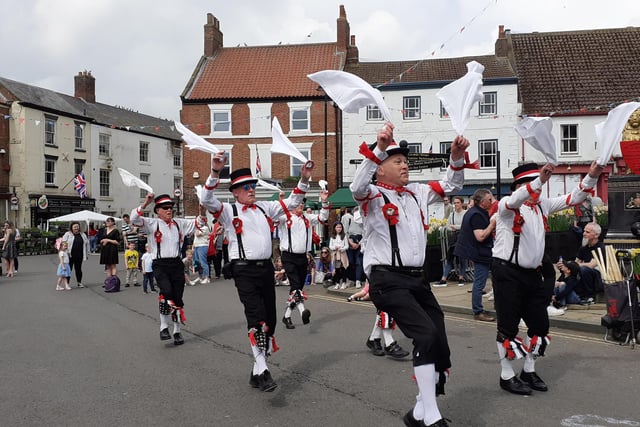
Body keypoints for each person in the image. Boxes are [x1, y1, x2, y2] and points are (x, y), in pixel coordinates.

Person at [350, 122, 470, 427]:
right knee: (425, 335)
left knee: (439, 341)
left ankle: (418, 411)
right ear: (381, 169)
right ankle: (430, 416)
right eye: (397, 161)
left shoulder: (417, 192)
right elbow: (356, 187)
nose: (405, 165)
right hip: (387, 280)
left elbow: (452, 186)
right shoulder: (373, 195)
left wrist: (456, 157)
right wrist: (377, 149)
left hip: (418, 279)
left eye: (405, 161)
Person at [200, 155, 314, 393]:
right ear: (235, 192)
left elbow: (293, 202)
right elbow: (206, 198)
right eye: (246, 187)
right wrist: (214, 172)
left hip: (265, 271)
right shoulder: (228, 211)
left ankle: (255, 373)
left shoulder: (265, 207)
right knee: (256, 318)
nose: (251, 190)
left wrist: (304, 179)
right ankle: (263, 370)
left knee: (270, 323)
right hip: (243, 270)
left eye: (252, 186)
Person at [491, 161, 603, 396]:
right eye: (533, 183)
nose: (539, 189)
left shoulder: (542, 206)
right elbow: (514, 200)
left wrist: (591, 176)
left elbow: (574, 197)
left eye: (540, 183)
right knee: (508, 327)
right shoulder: (506, 206)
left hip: (533, 274)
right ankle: (506, 375)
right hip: (507, 273)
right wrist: (539, 180)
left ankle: (529, 371)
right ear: (520, 185)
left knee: (540, 324)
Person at [131, 193, 206, 346]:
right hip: (160, 264)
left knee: (177, 298)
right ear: (157, 210)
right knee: (166, 292)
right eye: (165, 208)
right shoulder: (151, 224)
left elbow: (199, 222)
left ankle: (177, 331)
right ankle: (164, 326)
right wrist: (145, 203)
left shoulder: (179, 223)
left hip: (176, 264)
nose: (169, 210)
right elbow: (134, 219)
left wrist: (202, 210)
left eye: (171, 207)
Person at [277, 192, 330, 329]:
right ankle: (302, 311)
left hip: (303, 257)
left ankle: (287, 316)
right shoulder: (285, 217)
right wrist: (281, 203)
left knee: (297, 288)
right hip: (288, 256)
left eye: (303, 202)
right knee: (295, 285)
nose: (301, 204)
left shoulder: (307, 218)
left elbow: (323, 217)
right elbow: (273, 217)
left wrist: (324, 202)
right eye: (299, 202)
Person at [454, 189, 496, 322]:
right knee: (479, 283)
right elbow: (480, 236)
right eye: (489, 199)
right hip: (480, 253)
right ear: (482, 201)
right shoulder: (477, 215)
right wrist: (492, 225)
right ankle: (478, 311)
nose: (492, 201)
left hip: (482, 252)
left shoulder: (475, 212)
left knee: (496, 278)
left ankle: (498, 304)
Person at [350, 281, 411, 359]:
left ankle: (373, 339)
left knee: (384, 312)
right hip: (381, 280)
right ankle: (389, 343)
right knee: (386, 311)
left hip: (389, 281)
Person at [434, 195, 468, 287]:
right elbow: (447, 226)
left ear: (462, 203)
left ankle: (461, 277)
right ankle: (443, 279)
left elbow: (466, 226)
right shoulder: (452, 214)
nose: (456, 204)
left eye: (458, 202)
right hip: (454, 238)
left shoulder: (466, 213)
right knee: (449, 258)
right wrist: (452, 228)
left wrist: (455, 227)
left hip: (463, 238)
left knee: (462, 259)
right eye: (455, 203)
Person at [572, 222, 605, 301]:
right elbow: (575, 262)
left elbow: (591, 265)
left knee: (584, 269)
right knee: (568, 268)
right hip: (587, 273)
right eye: (584, 231)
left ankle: (590, 296)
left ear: (596, 235)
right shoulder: (583, 247)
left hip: (599, 276)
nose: (584, 234)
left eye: (587, 232)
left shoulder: (601, 247)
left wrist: (577, 264)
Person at [62, 222, 90, 288]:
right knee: (69, 269)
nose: (76, 228)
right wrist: (66, 252)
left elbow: (87, 243)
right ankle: (67, 283)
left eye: (77, 227)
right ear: (71, 228)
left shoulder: (83, 234)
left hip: (79, 255)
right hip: (70, 255)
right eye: (74, 227)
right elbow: (63, 243)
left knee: (78, 269)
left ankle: (79, 282)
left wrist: (87, 253)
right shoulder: (68, 234)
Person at [346, 206, 365, 288]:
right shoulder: (349, 220)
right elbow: (346, 233)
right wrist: (351, 243)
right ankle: (351, 279)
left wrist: (358, 244)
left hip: (360, 241)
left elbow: (365, 234)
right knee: (350, 262)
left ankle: (358, 280)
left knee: (358, 262)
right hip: (350, 241)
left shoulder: (363, 221)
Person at [329, 222, 349, 289]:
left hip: (343, 254)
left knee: (344, 268)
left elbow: (347, 246)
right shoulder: (332, 236)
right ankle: (337, 283)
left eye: (340, 227)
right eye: (337, 227)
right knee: (337, 269)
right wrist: (335, 247)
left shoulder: (344, 236)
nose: (339, 229)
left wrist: (342, 248)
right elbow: (330, 246)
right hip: (335, 254)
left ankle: (344, 283)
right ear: (335, 228)